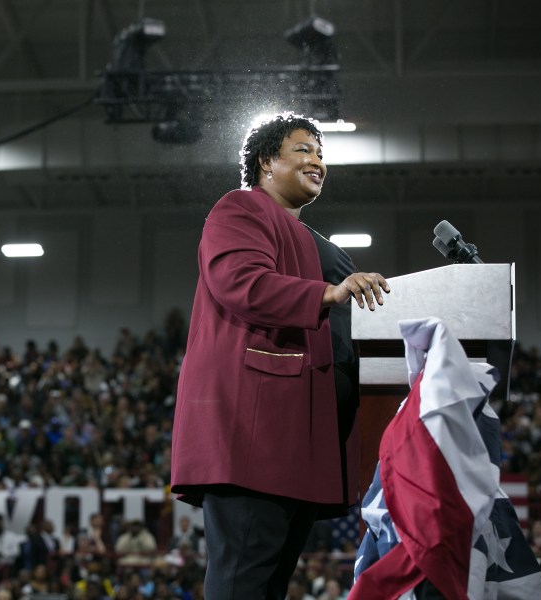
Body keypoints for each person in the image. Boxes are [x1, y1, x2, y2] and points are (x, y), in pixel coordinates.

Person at [170, 112, 390, 599]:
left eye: (321, 153)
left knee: (268, 585)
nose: (317, 161)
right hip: (257, 431)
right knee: (241, 582)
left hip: (305, 434)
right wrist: (328, 294)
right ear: (267, 161)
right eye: (303, 150)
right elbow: (240, 282)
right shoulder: (241, 209)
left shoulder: (317, 243)